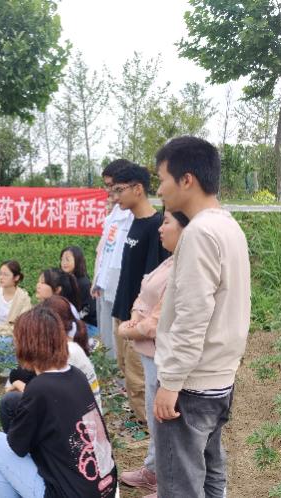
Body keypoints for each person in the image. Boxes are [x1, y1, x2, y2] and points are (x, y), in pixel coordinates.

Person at [153, 136, 251, 498]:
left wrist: (170, 382)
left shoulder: (199, 233)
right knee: (211, 472)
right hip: (219, 378)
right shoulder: (228, 226)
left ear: (186, 179)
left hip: (191, 385)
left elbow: (193, 315)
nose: (159, 189)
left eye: (162, 178)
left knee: (180, 483)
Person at [0, 306, 118, 498]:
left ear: (25, 344)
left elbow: (17, 448)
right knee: (12, 403)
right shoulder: (76, 375)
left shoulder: (40, 388)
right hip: (104, 488)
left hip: (68, 494)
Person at [117, 210, 189, 495]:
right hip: (149, 353)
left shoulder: (184, 267)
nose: (160, 229)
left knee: (164, 417)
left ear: (186, 229)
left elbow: (157, 324)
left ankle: (166, 482)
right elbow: (142, 293)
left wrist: (128, 330)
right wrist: (134, 315)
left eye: (167, 222)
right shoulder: (169, 260)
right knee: (154, 414)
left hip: (162, 354)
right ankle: (154, 470)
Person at [111, 164, 170, 424]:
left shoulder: (156, 227)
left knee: (140, 380)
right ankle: (144, 428)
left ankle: (151, 435)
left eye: (119, 190)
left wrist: (139, 321)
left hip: (138, 319)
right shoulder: (134, 223)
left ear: (138, 189)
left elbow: (154, 284)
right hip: (123, 312)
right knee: (126, 371)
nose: (115, 197)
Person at [0, 295, 102, 432]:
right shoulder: (64, 347)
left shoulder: (67, 352)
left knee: (10, 402)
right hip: (80, 421)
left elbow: (48, 397)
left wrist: (19, 385)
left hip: (77, 427)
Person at [92, 159, 134, 359]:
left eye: (112, 186)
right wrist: (97, 278)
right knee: (107, 335)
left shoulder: (133, 215)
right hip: (105, 283)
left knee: (120, 337)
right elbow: (105, 249)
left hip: (119, 285)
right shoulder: (115, 212)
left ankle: (122, 381)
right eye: (107, 186)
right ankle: (112, 375)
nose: (109, 191)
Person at [60, 245, 98, 336]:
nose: (63, 263)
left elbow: (88, 309)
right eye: (62, 259)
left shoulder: (84, 283)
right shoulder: (63, 279)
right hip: (72, 324)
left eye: (67, 259)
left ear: (77, 261)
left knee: (100, 349)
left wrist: (75, 318)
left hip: (89, 325)